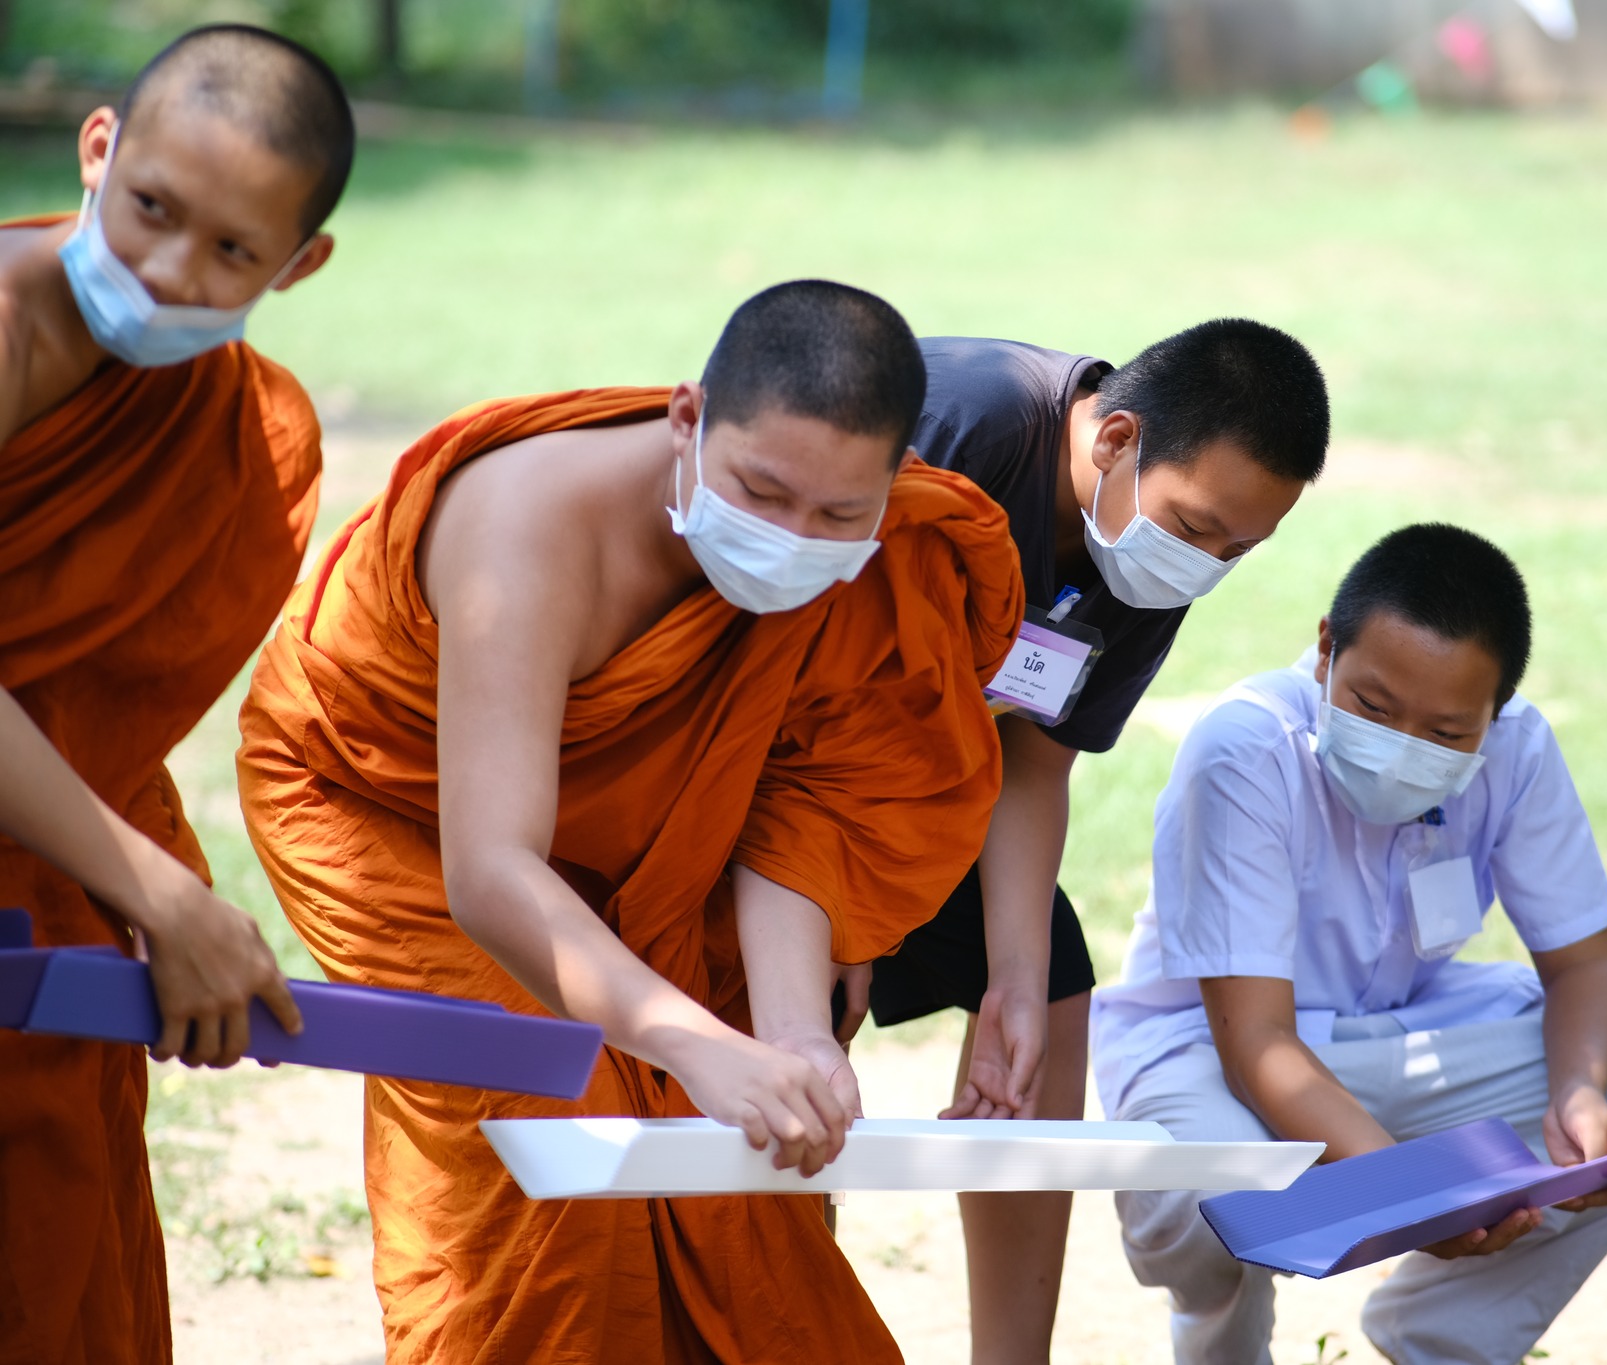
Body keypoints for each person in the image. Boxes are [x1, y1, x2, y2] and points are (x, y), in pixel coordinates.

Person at [236, 280, 1024, 1362]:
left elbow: (801, 810)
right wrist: (696, 1044)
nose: (792, 538)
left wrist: (787, 1031)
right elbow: (492, 868)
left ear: (891, 488)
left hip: (640, 835)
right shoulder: (527, 529)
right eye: (760, 491)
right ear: (687, 417)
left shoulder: (877, 557)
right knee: (547, 1101)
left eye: (840, 516)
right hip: (390, 802)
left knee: (733, 1160)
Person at [1091, 523, 1607, 1365]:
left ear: (1496, 713)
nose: (1402, 749)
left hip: (1409, 1032)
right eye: (1374, 708)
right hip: (1215, 1052)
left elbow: (1585, 965)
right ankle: (1221, 1348)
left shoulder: (1519, 747)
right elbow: (1257, 1042)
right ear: (1325, 649)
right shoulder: (1245, 750)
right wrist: (1410, 1195)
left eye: (1448, 734)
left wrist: (1579, 1092)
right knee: (1215, 1186)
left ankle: (1439, 1340)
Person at [854, 324, 1329, 1362]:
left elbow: (1033, 762)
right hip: (771, 778)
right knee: (790, 1014)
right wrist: (838, 923)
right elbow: (797, 685)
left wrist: (1014, 984)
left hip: (919, 795)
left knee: (1051, 983)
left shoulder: (1147, 556)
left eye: (1238, 551)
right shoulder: (965, 425)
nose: (1205, 565)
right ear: (1114, 440)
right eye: (1197, 528)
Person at [0, 26, 352, 1364]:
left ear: (298, 266)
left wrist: (127, 888)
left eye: (231, 251)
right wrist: (157, 893)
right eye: (151, 207)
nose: (167, 270)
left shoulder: (239, 424)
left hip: (43, 883)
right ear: (98, 150)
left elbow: (92, 716)